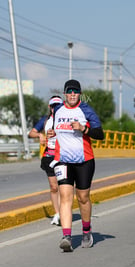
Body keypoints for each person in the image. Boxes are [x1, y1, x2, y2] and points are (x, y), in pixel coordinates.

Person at [51, 79, 104, 252]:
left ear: (79, 93)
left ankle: (87, 231)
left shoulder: (86, 110)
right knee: (65, 196)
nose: (72, 94)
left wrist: (84, 128)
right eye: (70, 91)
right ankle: (66, 236)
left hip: (84, 160)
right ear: (65, 93)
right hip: (63, 160)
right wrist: (51, 132)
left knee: (82, 198)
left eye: (75, 91)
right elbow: (53, 128)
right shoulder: (57, 110)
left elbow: (100, 134)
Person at [28, 95, 63, 226]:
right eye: (53, 106)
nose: (56, 108)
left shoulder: (66, 120)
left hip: (63, 156)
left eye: (58, 105)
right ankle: (57, 213)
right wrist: (39, 134)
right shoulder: (45, 119)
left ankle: (64, 212)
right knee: (54, 187)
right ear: (50, 107)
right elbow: (31, 133)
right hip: (49, 156)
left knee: (64, 186)